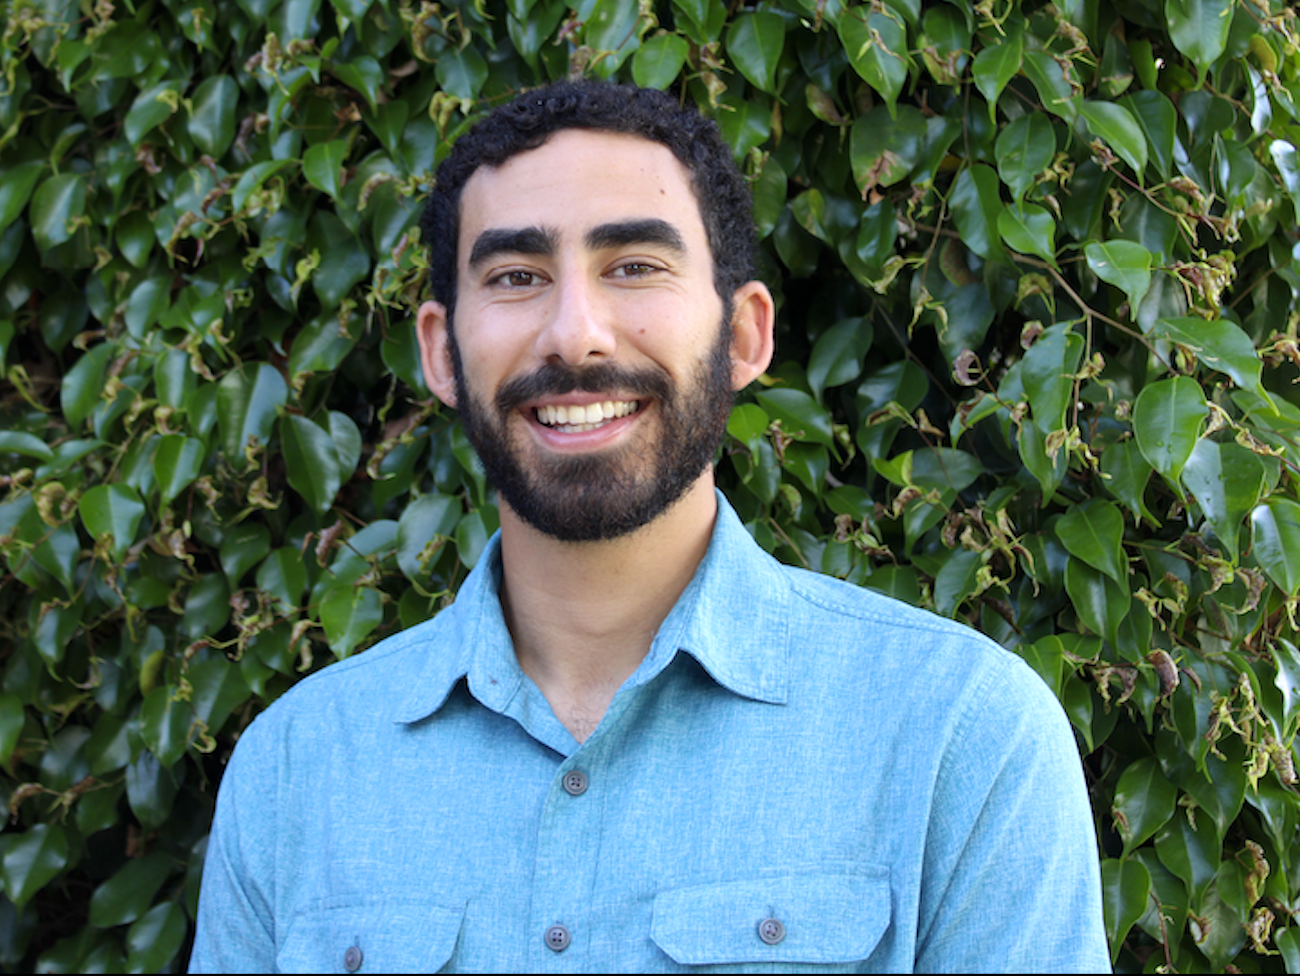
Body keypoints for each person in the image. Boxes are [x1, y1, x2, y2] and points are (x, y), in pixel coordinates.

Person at [189, 80, 1111, 973]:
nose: (576, 335)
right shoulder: (296, 770)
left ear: (744, 337)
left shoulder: (961, 735)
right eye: (516, 276)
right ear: (440, 351)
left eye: (635, 266)